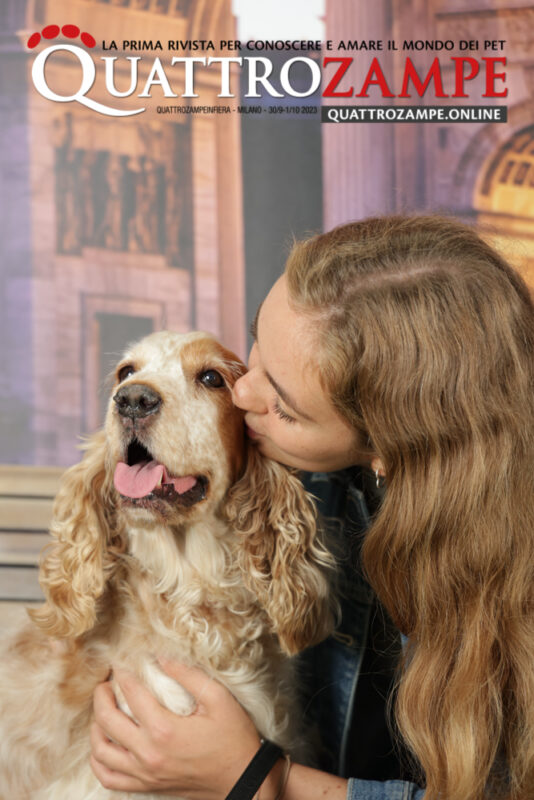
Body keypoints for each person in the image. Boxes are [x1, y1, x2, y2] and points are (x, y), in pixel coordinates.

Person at [90, 215, 534, 800]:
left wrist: (258, 777)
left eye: (286, 405)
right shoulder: (293, 475)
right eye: (257, 343)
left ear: (391, 448)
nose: (242, 392)